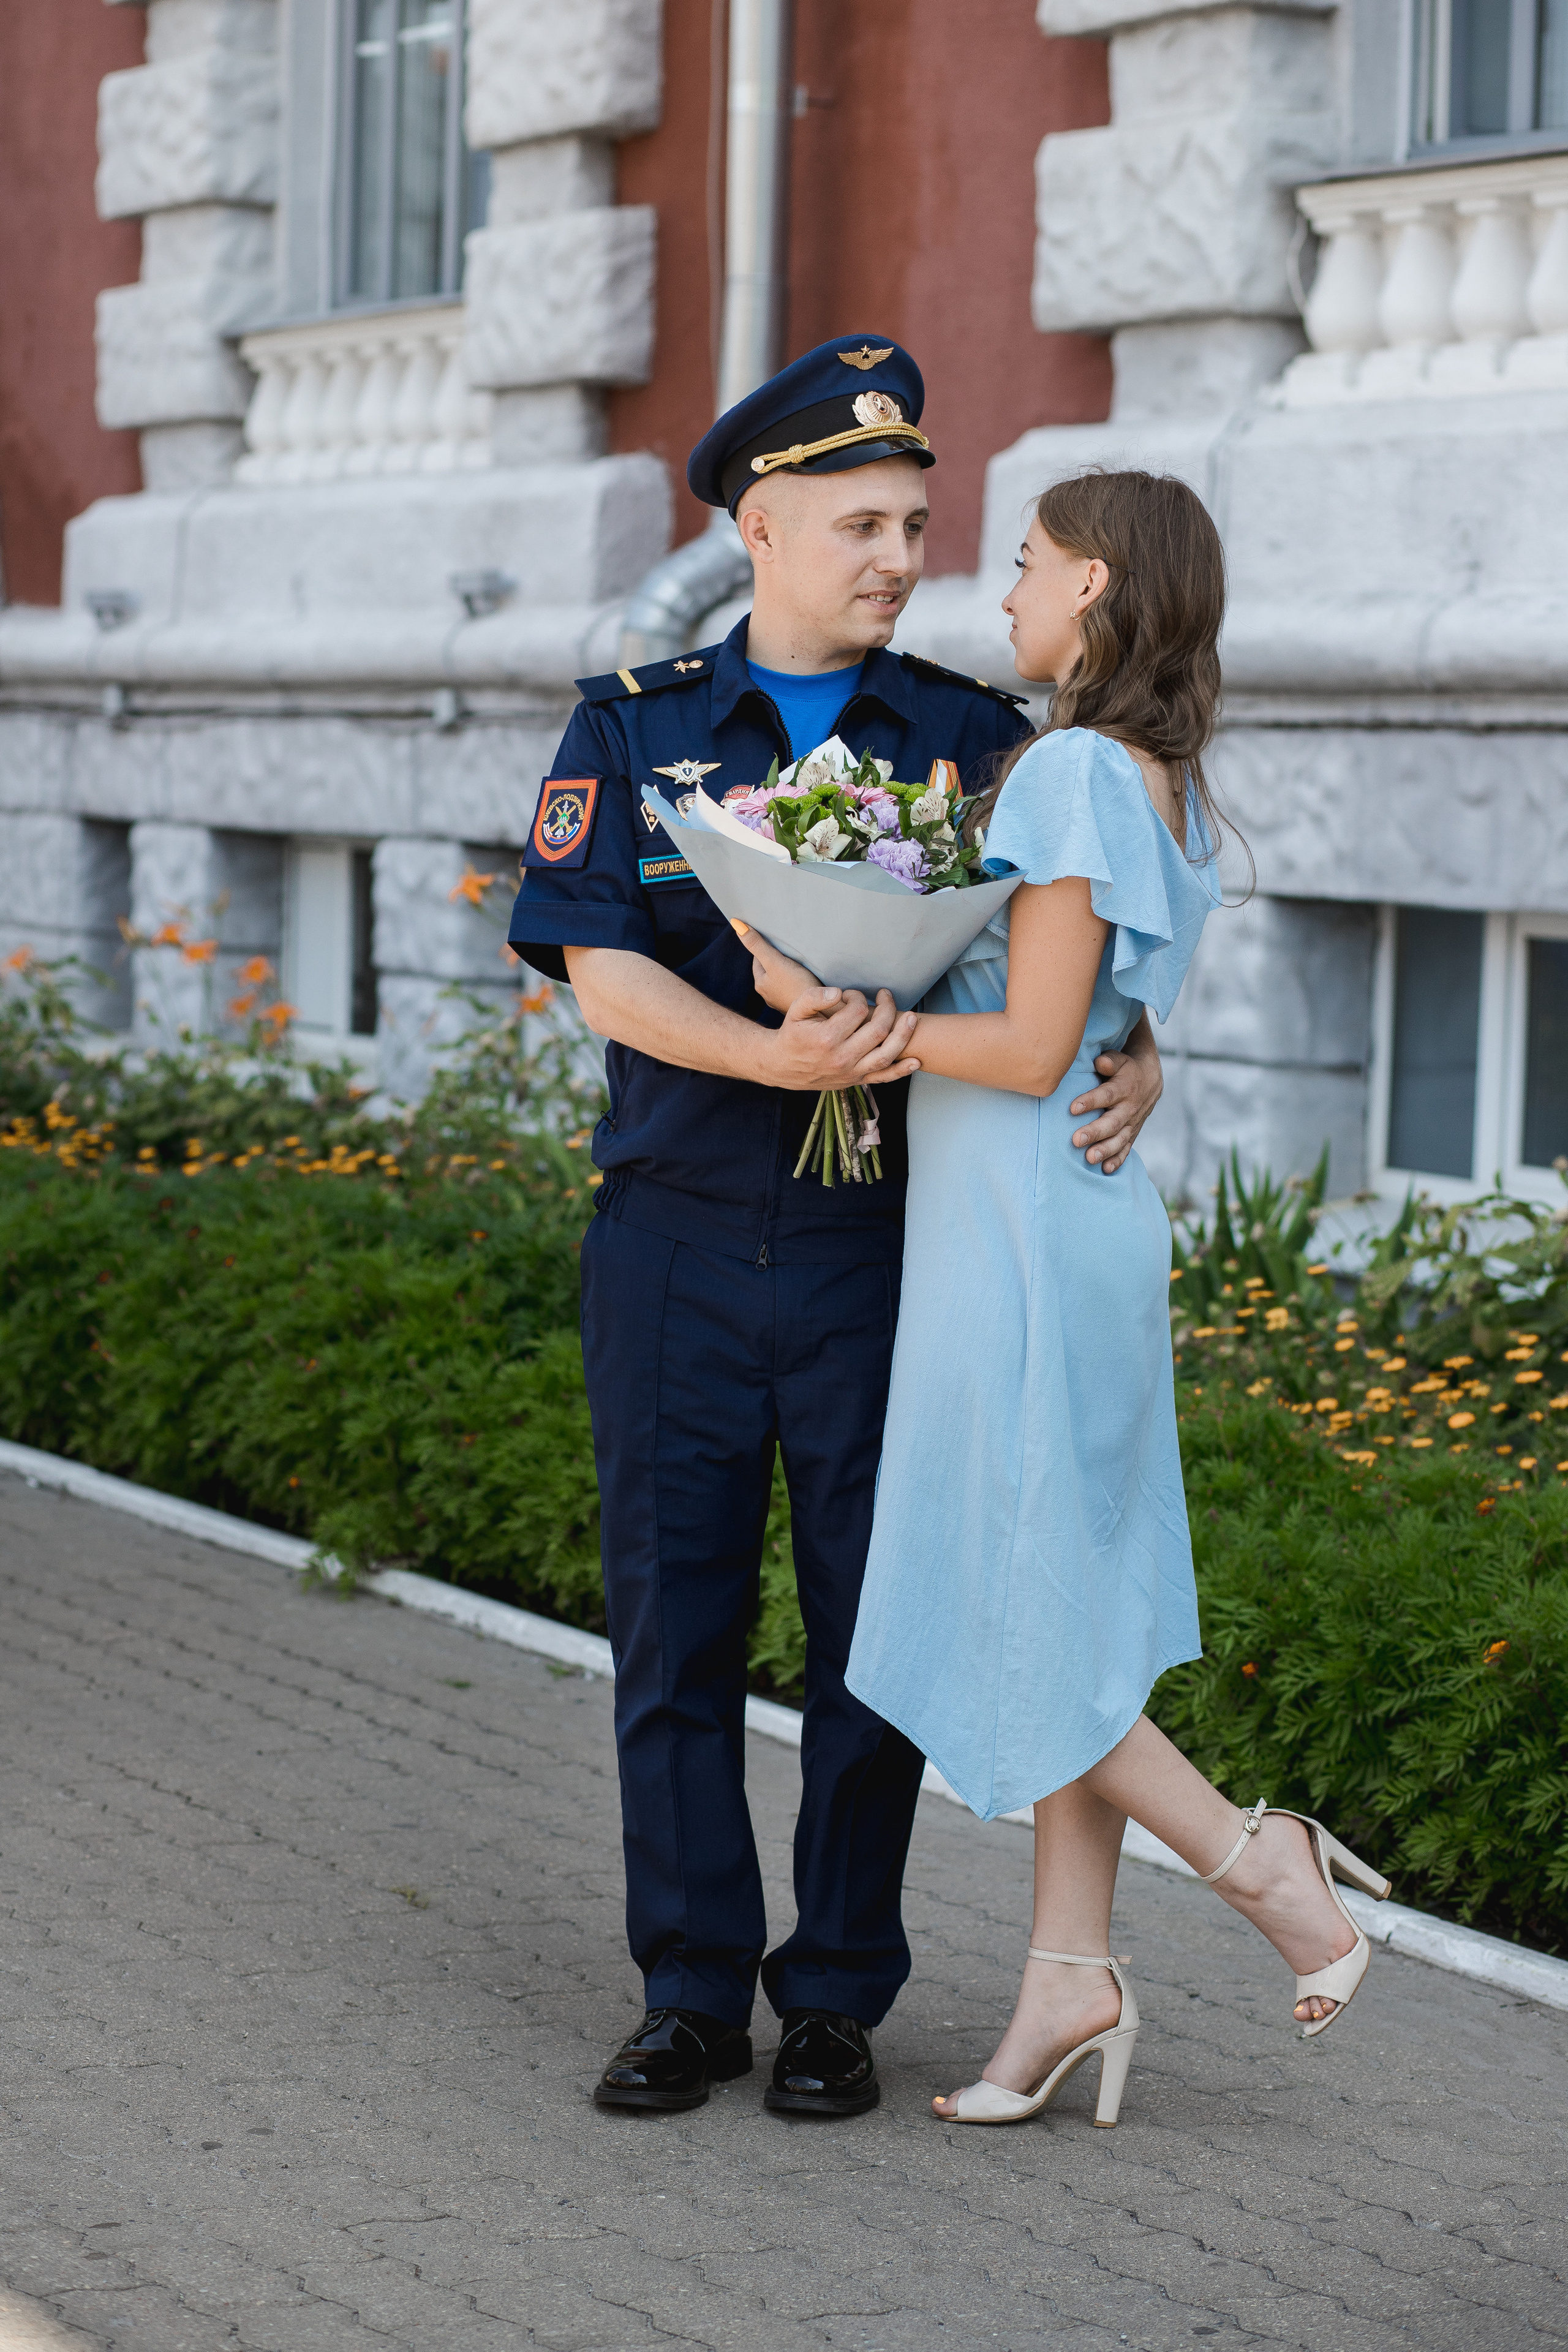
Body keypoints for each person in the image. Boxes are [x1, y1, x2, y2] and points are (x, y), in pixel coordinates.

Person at [507, 341, 1167, 2120]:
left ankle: (838, 2000)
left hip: (887, 1251)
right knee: (677, 1628)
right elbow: (602, 971)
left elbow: (1075, 946)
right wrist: (771, 1048)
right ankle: (691, 1992)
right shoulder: (634, 723)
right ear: (761, 524)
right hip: (675, 1234)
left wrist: (1140, 1050)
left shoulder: (970, 740)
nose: (898, 554)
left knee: (879, 1633)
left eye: (920, 523)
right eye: (861, 522)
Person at [745, 468, 1391, 2133]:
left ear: (1094, 586)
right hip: (1069, 1221)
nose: (1003, 589)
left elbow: (1033, 1050)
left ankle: (1268, 1870)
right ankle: (1066, 1978)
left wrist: (842, 1020)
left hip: (1021, 1234)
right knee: (1062, 1603)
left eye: (1025, 564)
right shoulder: (1155, 779)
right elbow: (1097, 1018)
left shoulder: (1072, 772)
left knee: (1003, 1602)